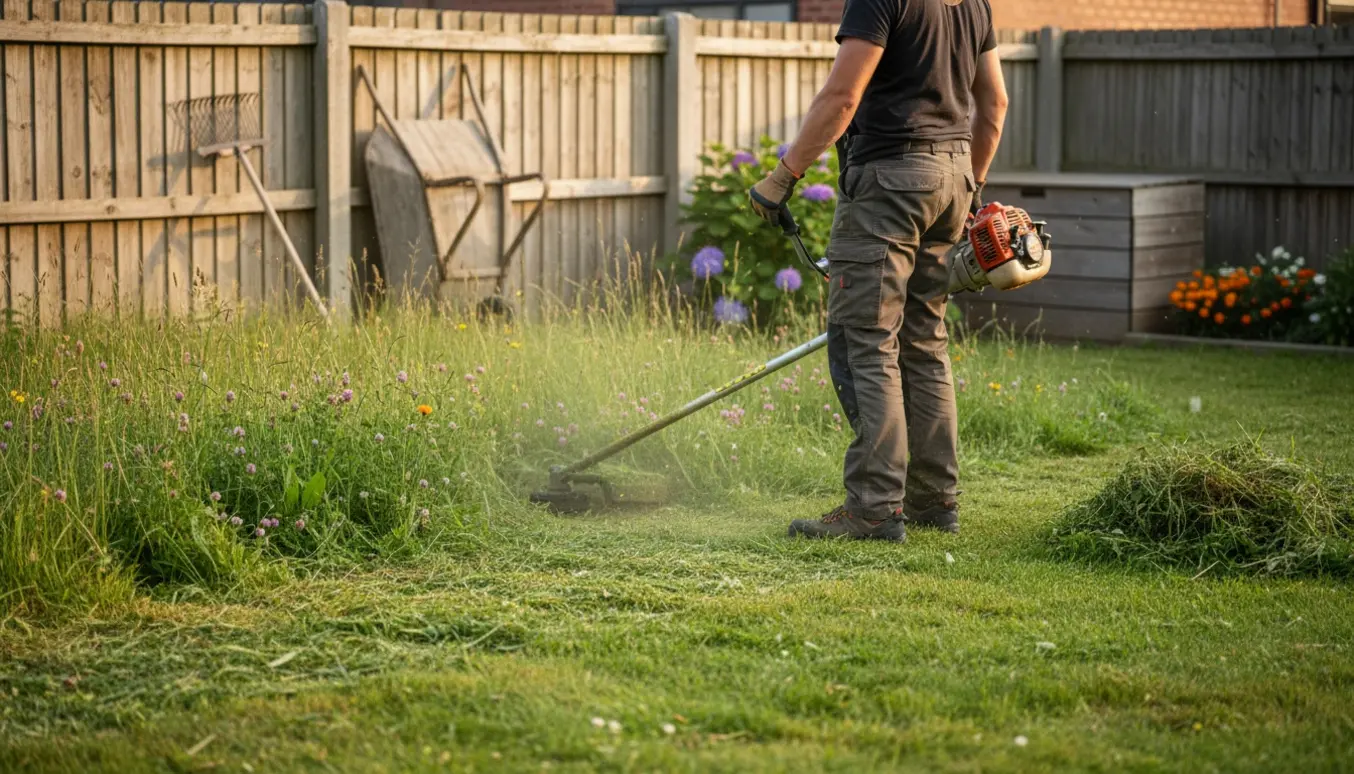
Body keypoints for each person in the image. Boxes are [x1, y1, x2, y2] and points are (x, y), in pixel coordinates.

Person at [748, 0, 1009, 542]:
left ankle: (873, 507)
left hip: (890, 182)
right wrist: (971, 186)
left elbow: (842, 97)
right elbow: (995, 103)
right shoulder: (973, 3)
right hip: (953, 178)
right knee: (924, 341)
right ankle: (934, 499)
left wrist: (782, 177)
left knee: (867, 339)